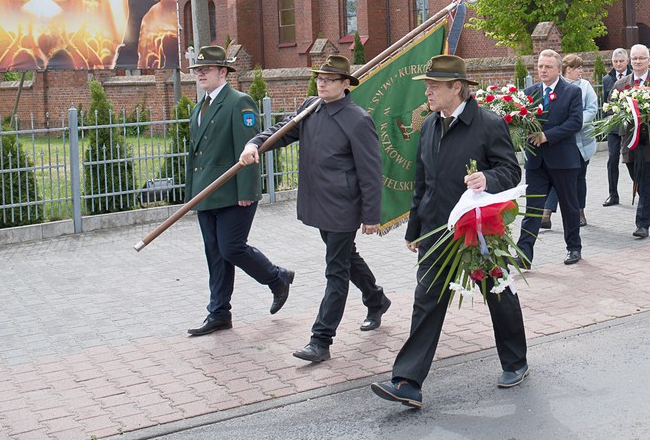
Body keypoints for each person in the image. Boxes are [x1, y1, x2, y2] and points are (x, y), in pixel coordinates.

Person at [371, 55, 528, 409]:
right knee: (426, 301)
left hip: (479, 232)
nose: (426, 91)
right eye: (426, 85)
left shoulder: (488, 124)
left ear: (456, 88)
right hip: (435, 231)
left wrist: (488, 178)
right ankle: (408, 382)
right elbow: (422, 182)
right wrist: (415, 229)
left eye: (433, 86)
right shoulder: (428, 125)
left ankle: (516, 362)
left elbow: (511, 171)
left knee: (497, 294)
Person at [240, 55, 387, 362]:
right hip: (318, 202)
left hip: (343, 207)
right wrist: (255, 143)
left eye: (330, 79)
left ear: (346, 85)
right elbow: (283, 131)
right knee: (345, 257)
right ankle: (376, 299)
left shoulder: (358, 119)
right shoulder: (311, 106)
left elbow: (371, 172)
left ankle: (321, 339)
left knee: (336, 270)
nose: (322, 83)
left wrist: (372, 216)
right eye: (319, 78)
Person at [184, 46, 294, 337]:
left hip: (234, 193)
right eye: (197, 70)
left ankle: (276, 277)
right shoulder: (199, 107)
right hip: (206, 193)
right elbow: (196, 156)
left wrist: (248, 189)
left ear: (223, 72)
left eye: (205, 69)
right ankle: (219, 313)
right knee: (215, 254)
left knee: (231, 247)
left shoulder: (239, 102)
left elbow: (249, 149)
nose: (199, 74)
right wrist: (191, 193)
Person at [517, 49, 584, 266]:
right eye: (540, 66)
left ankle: (574, 248)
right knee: (533, 210)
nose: (543, 70)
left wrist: (547, 136)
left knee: (569, 207)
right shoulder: (529, 92)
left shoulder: (571, 92)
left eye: (548, 67)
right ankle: (524, 254)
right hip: (536, 162)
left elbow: (575, 123)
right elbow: (521, 121)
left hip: (563, 161)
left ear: (558, 69)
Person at [541, 54, 598, 228]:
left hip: (581, 142)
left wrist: (576, 123)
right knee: (555, 177)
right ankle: (546, 214)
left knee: (579, 178)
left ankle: (580, 212)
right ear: (568, 69)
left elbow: (592, 108)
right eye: (578, 68)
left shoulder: (585, 86)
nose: (581, 71)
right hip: (560, 141)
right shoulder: (557, 87)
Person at [615, 44, 650, 239]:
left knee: (647, 180)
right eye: (634, 58)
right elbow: (612, 110)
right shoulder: (621, 85)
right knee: (636, 176)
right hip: (629, 139)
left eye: (641, 58)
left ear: (649, 60)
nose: (637, 61)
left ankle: (642, 224)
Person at [601, 48, 629, 206]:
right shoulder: (607, 79)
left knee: (631, 160)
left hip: (629, 125)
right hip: (613, 126)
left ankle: (640, 189)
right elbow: (606, 102)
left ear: (627, 61)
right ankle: (613, 194)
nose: (618, 64)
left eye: (621, 61)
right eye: (615, 62)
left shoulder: (633, 77)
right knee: (612, 159)